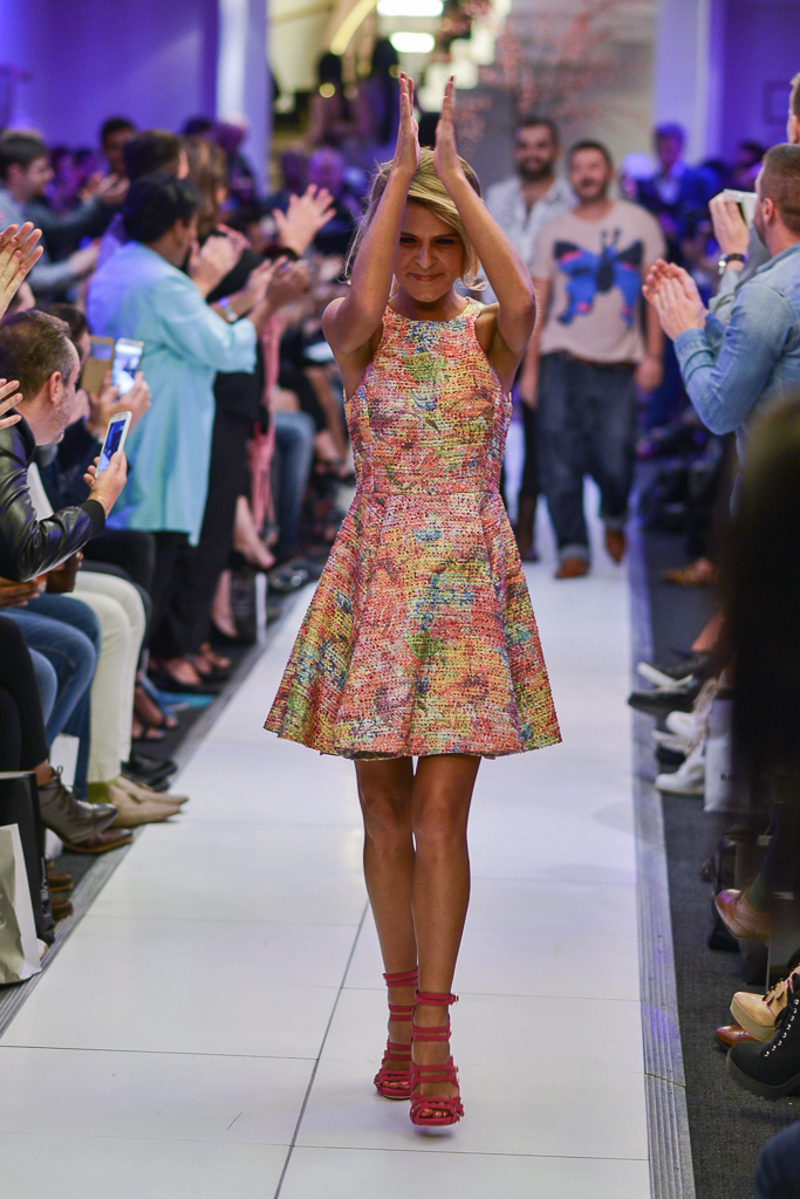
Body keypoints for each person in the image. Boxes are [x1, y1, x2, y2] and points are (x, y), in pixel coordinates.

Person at [265, 75, 560, 1128]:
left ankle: (434, 1031)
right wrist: (399, 169)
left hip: (468, 586)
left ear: (468, 248)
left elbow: (523, 300)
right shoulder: (358, 329)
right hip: (378, 580)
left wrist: (448, 170)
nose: (427, 261)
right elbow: (359, 295)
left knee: (442, 815)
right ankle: (397, 1017)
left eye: (446, 244)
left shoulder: (489, 333)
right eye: (412, 243)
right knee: (382, 811)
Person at [87, 173, 277, 688]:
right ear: (179, 228)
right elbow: (223, 347)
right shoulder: (164, 282)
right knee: (155, 562)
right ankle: (134, 687)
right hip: (164, 428)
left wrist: (239, 303)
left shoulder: (114, 268)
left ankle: (136, 687)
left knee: (138, 553)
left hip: (123, 419)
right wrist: (264, 305)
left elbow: (194, 328)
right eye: (193, 228)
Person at [523, 139, 665, 577]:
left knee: (617, 457)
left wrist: (654, 355)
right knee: (558, 459)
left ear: (609, 173)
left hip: (620, 365)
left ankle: (614, 516)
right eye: (579, 167)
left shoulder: (639, 223)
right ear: (571, 176)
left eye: (594, 166)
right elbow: (537, 303)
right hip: (560, 360)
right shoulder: (554, 231)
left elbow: (655, 295)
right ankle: (573, 549)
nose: (586, 175)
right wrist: (530, 370)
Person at [643, 143, 800, 457]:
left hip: (781, 479)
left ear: (766, 210)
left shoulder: (769, 292)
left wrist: (686, 333)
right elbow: (748, 349)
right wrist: (702, 318)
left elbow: (718, 412)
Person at [484, 115, 573, 561]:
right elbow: (478, 258)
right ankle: (496, 523)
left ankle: (527, 525)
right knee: (488, 428)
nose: (532, 153)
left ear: (555, 150)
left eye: (541, 145)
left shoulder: (570, 202)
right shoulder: (496, 197)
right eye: (524, 145)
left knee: (541, 434)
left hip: (549, 332)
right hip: (492, 325)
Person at [0, 132, 126, 300]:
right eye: (41, 169)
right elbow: (23, 278)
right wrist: (74, 266)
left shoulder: (24, 205)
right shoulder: (4, 211)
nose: (50, 175)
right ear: (15, 172)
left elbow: (61, 228)